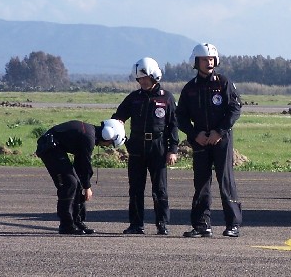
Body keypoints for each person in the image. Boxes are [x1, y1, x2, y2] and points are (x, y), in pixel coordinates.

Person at [176, 42, 243, 238]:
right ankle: (201, 225)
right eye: (205, 59)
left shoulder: (223, 83)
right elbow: (180, 117)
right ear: (196, 62)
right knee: (201, 183)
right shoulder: (189, 89)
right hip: (200, 142)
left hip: (221, 140)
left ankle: (233, 224)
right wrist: (195, 134)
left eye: (212, 59)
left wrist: (219, 132)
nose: (209, 62)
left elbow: (235, 108)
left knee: (225, 181)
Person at [112, 57, 180, 235]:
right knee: (135, 188)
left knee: (160, 189)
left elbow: (173, 125)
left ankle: (162, 224)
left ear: (154, 76)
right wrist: (117, 127)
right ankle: (136, 224)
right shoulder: (133, 98)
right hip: (136, 147)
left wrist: (173, 150)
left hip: (158, 147)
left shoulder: (167, 98)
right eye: (139, 79)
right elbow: (118, 116)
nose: (142, 81)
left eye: (145, 78)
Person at [36, 119, 126, 234]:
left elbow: (81, 165)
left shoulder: (90, 134)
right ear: (108, 135)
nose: (107, 146)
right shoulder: (89, 138)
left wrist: (84, 184)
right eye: (110, 143)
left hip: (56, 147)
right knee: (69, 183)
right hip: (50, 148)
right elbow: (85, 164)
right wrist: (87, 187)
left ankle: (77, 222)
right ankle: (66, 225)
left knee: (77, 183)